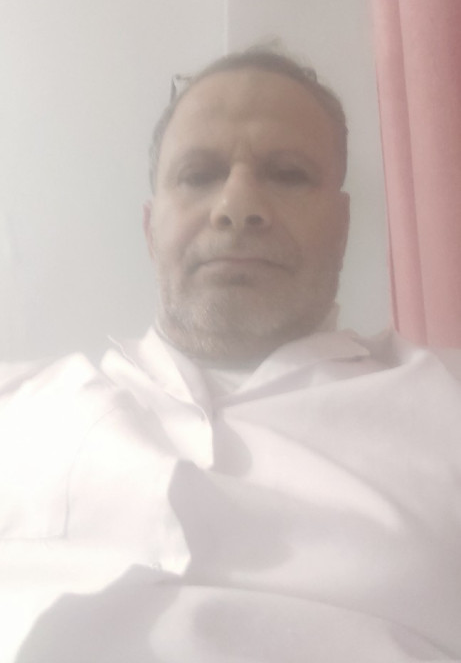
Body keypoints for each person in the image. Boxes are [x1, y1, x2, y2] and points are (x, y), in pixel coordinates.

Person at [1, 48, 461, 662]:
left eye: (288, 174)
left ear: (343, 224)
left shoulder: (445, 399)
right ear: (151, 227)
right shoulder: (20, 406)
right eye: (198, 175)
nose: (237, 206)